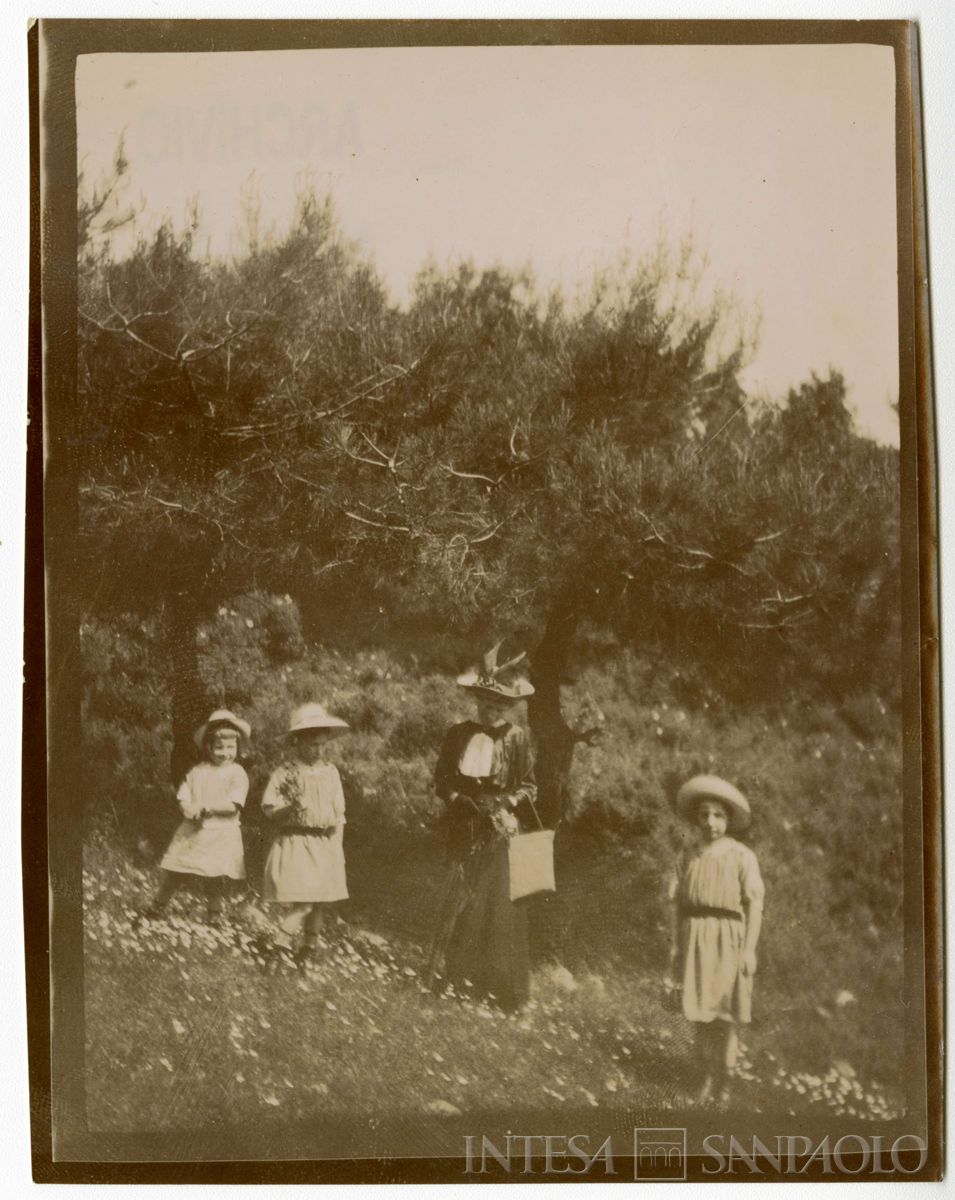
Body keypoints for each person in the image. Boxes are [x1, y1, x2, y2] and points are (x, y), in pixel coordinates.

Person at [428, 643, 539, 1012]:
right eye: (485, 703)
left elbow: (528, 784)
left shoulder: (516, 738)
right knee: (461, 899)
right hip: (465, 822)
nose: (490, 711)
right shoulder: (458, 734)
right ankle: (451, 976)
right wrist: (461, 800)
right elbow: (442, 779)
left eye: (498, 706)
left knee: (498, 905)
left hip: (500, 827)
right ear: (475, 699)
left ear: (508, 708)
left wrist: (507, 804)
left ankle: (498, 990)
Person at [668, 774, 765, 1108]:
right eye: (704, 815)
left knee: (725, 1014)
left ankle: (725, 1081)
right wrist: (676, 946)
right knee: (701, 1012)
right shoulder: (689, 856)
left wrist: (749, 950)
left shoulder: (741, 856)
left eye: (719, 815)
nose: (711, 822)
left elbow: (754, 904)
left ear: (729, 819)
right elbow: (678, 906)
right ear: (696, 818)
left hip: (728, 941)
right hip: (695, 939)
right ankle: (705, 1076)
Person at [260, 702, 350, 966]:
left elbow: (339, 814)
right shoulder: (285, 773)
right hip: (297, 842)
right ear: (297, 742)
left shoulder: (331, 773)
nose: (319, 750)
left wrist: (338, 848)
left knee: (318, 903)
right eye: (313, 745)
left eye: (323, 744)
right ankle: (279, 947)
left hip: (324, 844)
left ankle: (308, 950)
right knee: (303, 903)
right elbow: (269, 808)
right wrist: (289, 807)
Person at [145, 709, 251, 924]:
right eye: (219, 747)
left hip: (220, 833)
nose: (225, 753)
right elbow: (184, 795)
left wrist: (207, 807)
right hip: (194, 831)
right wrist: (187, 808)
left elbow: (234, 805)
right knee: (176, 872)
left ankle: (214, 918)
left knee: (214, 877)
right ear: (209, 747)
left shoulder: (237, 773)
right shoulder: (198, 772)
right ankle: (155, 910)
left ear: (237, 749)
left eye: (230, 748)